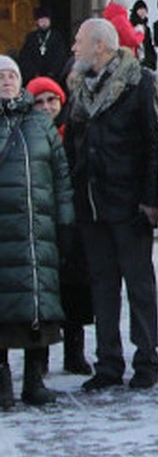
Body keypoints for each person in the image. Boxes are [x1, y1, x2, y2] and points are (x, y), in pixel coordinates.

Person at [65, 18, 158, 392]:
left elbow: (156, 142)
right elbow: (73, 145)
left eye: (78, 41)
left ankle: (147, 359)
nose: (73, 48)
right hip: (91, 205)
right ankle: (108, 362)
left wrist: (152, 199)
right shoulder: (78, 87)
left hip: (130, 204)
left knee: (139, 284)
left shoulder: (140, 82)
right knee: (102, 286)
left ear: (99, 46)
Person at [0, 56, 73, 408]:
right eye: (0, 77)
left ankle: (34, 381)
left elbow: (61, 176)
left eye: (12, 75)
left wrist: (65, 221)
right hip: (3, 230)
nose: (6, 81)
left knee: (37, 305)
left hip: (37, 228)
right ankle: (2, 385)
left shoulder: (39, 124)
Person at [26, 76, 92, 375]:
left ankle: (74, 352)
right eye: (39, 101)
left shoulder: (74, 131)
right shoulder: (26, 134)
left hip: (73, 222)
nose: (46, 107)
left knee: (75, 290)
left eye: (51, 100)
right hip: (39, 222)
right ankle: (39, 359)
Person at [17, 6, 69, 86]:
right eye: (41, 20)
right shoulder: (31, 37)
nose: (44, 23)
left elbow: (60, 56)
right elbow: (25, 57)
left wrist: (52, 73)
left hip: (53, 77)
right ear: (37, 22)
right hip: (34, 77)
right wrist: (34, 73)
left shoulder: (56, 36)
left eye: (46, 20)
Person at [130, 0, 156, 72]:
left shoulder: (146, 28)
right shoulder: (131, 25)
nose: (143, 12)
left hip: (146, 61)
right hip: (135, 59)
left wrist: (152, 59)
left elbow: (149, 45)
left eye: (144, 9)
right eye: (140, 9)